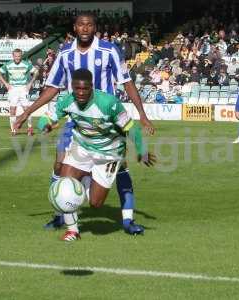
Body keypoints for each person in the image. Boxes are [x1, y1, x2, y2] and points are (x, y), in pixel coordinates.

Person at [15, 13, 154, 235]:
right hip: (75, 120)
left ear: (95, 28)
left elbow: (126, 82)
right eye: (81, 24)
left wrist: (142, 114)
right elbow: (52, 87)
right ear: (75, 28)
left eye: (89, 25)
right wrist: (27, 113)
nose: (85, 28)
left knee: (121, 168)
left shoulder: (109, 50)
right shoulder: (66, 53)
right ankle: (61, 214)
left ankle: (127, 220)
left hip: (108, 121)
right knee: (59, 166)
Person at [37, 69, 156, 241]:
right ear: (72, 87)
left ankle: (86, 178)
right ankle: (72, 231)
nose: (81, 93)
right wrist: (45, 125)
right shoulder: (67, 101)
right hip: (82, 148)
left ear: (92, 87)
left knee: (95, 204)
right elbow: (46, 118)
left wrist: (141, 151)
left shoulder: (109, 103)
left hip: (109, 153)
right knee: (65, 185)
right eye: (77, 88)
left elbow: (132, 128)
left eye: (85, 89)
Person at [0, 48, 37, 136]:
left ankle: (30, 128)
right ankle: (13, 129)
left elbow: (36, 72)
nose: (17, 58)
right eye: (15, 56)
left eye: (19, 56)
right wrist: (6, 83)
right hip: (13, 89)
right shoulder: (8, 64)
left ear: (21, 56)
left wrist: (30, 83)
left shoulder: (26, 64)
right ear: (13, 56)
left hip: (23, 89)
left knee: (27, 110)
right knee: (12, 110)